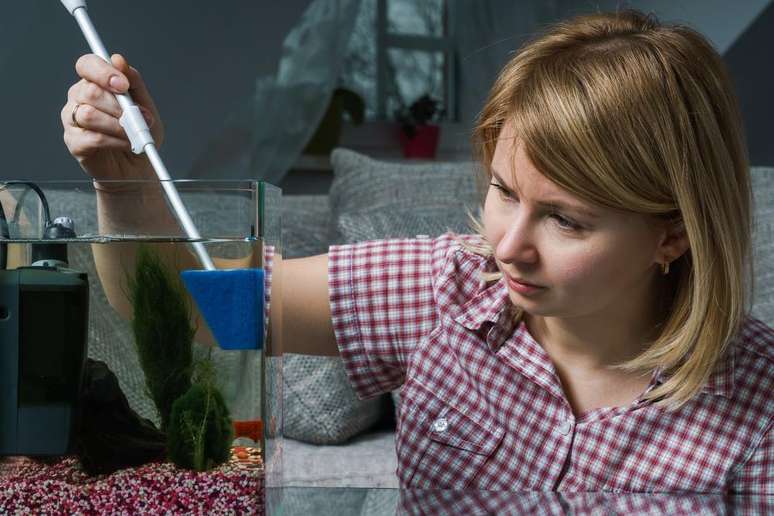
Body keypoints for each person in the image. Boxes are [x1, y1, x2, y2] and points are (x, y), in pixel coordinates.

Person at [61, 10, 772, 492]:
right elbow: (201, 312)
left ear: (672, 233)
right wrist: (122, 183)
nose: (509, 247)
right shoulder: (439, 288)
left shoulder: (758, 397)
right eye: (502, 191)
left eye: (566, 222)